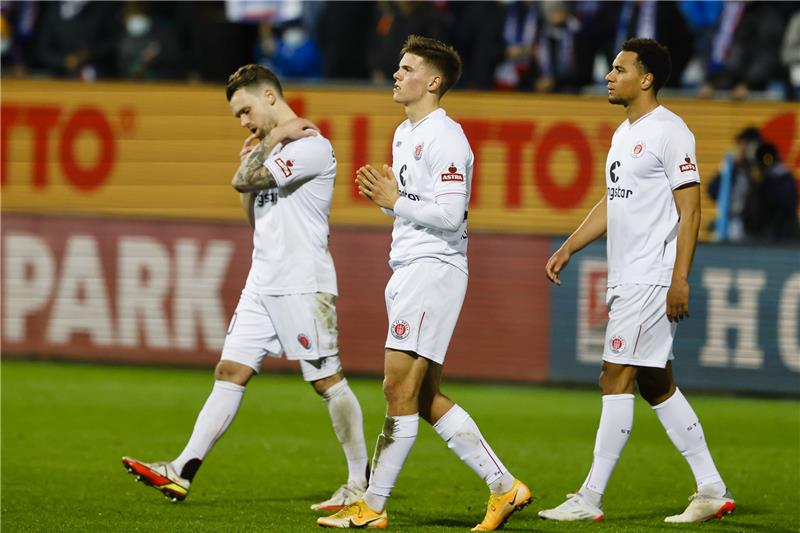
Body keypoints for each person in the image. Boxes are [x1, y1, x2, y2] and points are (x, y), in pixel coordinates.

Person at [122, 64, 370, 512]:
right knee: (229, 371)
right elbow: (255, 215)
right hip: (262, 280)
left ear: (270, 97)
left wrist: (269, 145)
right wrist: (254, 157)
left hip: (302, 283)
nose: (243, 122)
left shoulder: (312, 146)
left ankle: (360, 485)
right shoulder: (270, 152)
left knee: (326, 381)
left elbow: (242, 178)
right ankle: (181, 470)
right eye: (237, 116)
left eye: (245, 110)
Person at [318, 35, 531, 531]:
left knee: (396, 387)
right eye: (398, 66)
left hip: (434, 268)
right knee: (425, 396)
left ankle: (372, 506)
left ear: (433, 82)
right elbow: (417, 202)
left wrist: (396, 199)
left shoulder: (446, 138)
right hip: (409, 267)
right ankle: (504, 487)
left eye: (407, 68)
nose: (397, 74)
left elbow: (452, 214)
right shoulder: (403, 132)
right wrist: (396, 197)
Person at [539, 38, 736, 523]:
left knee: (614, 376)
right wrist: (569, 245)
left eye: (619, 68)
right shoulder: (625, 134)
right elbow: (613, 200)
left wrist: (679, 279)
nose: (609, 75)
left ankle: (589, 498)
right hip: (628, 275)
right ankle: (711, 488)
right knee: (655, 384)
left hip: (651, 277)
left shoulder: (671, 132)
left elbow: (691, 212)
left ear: (646, 78)